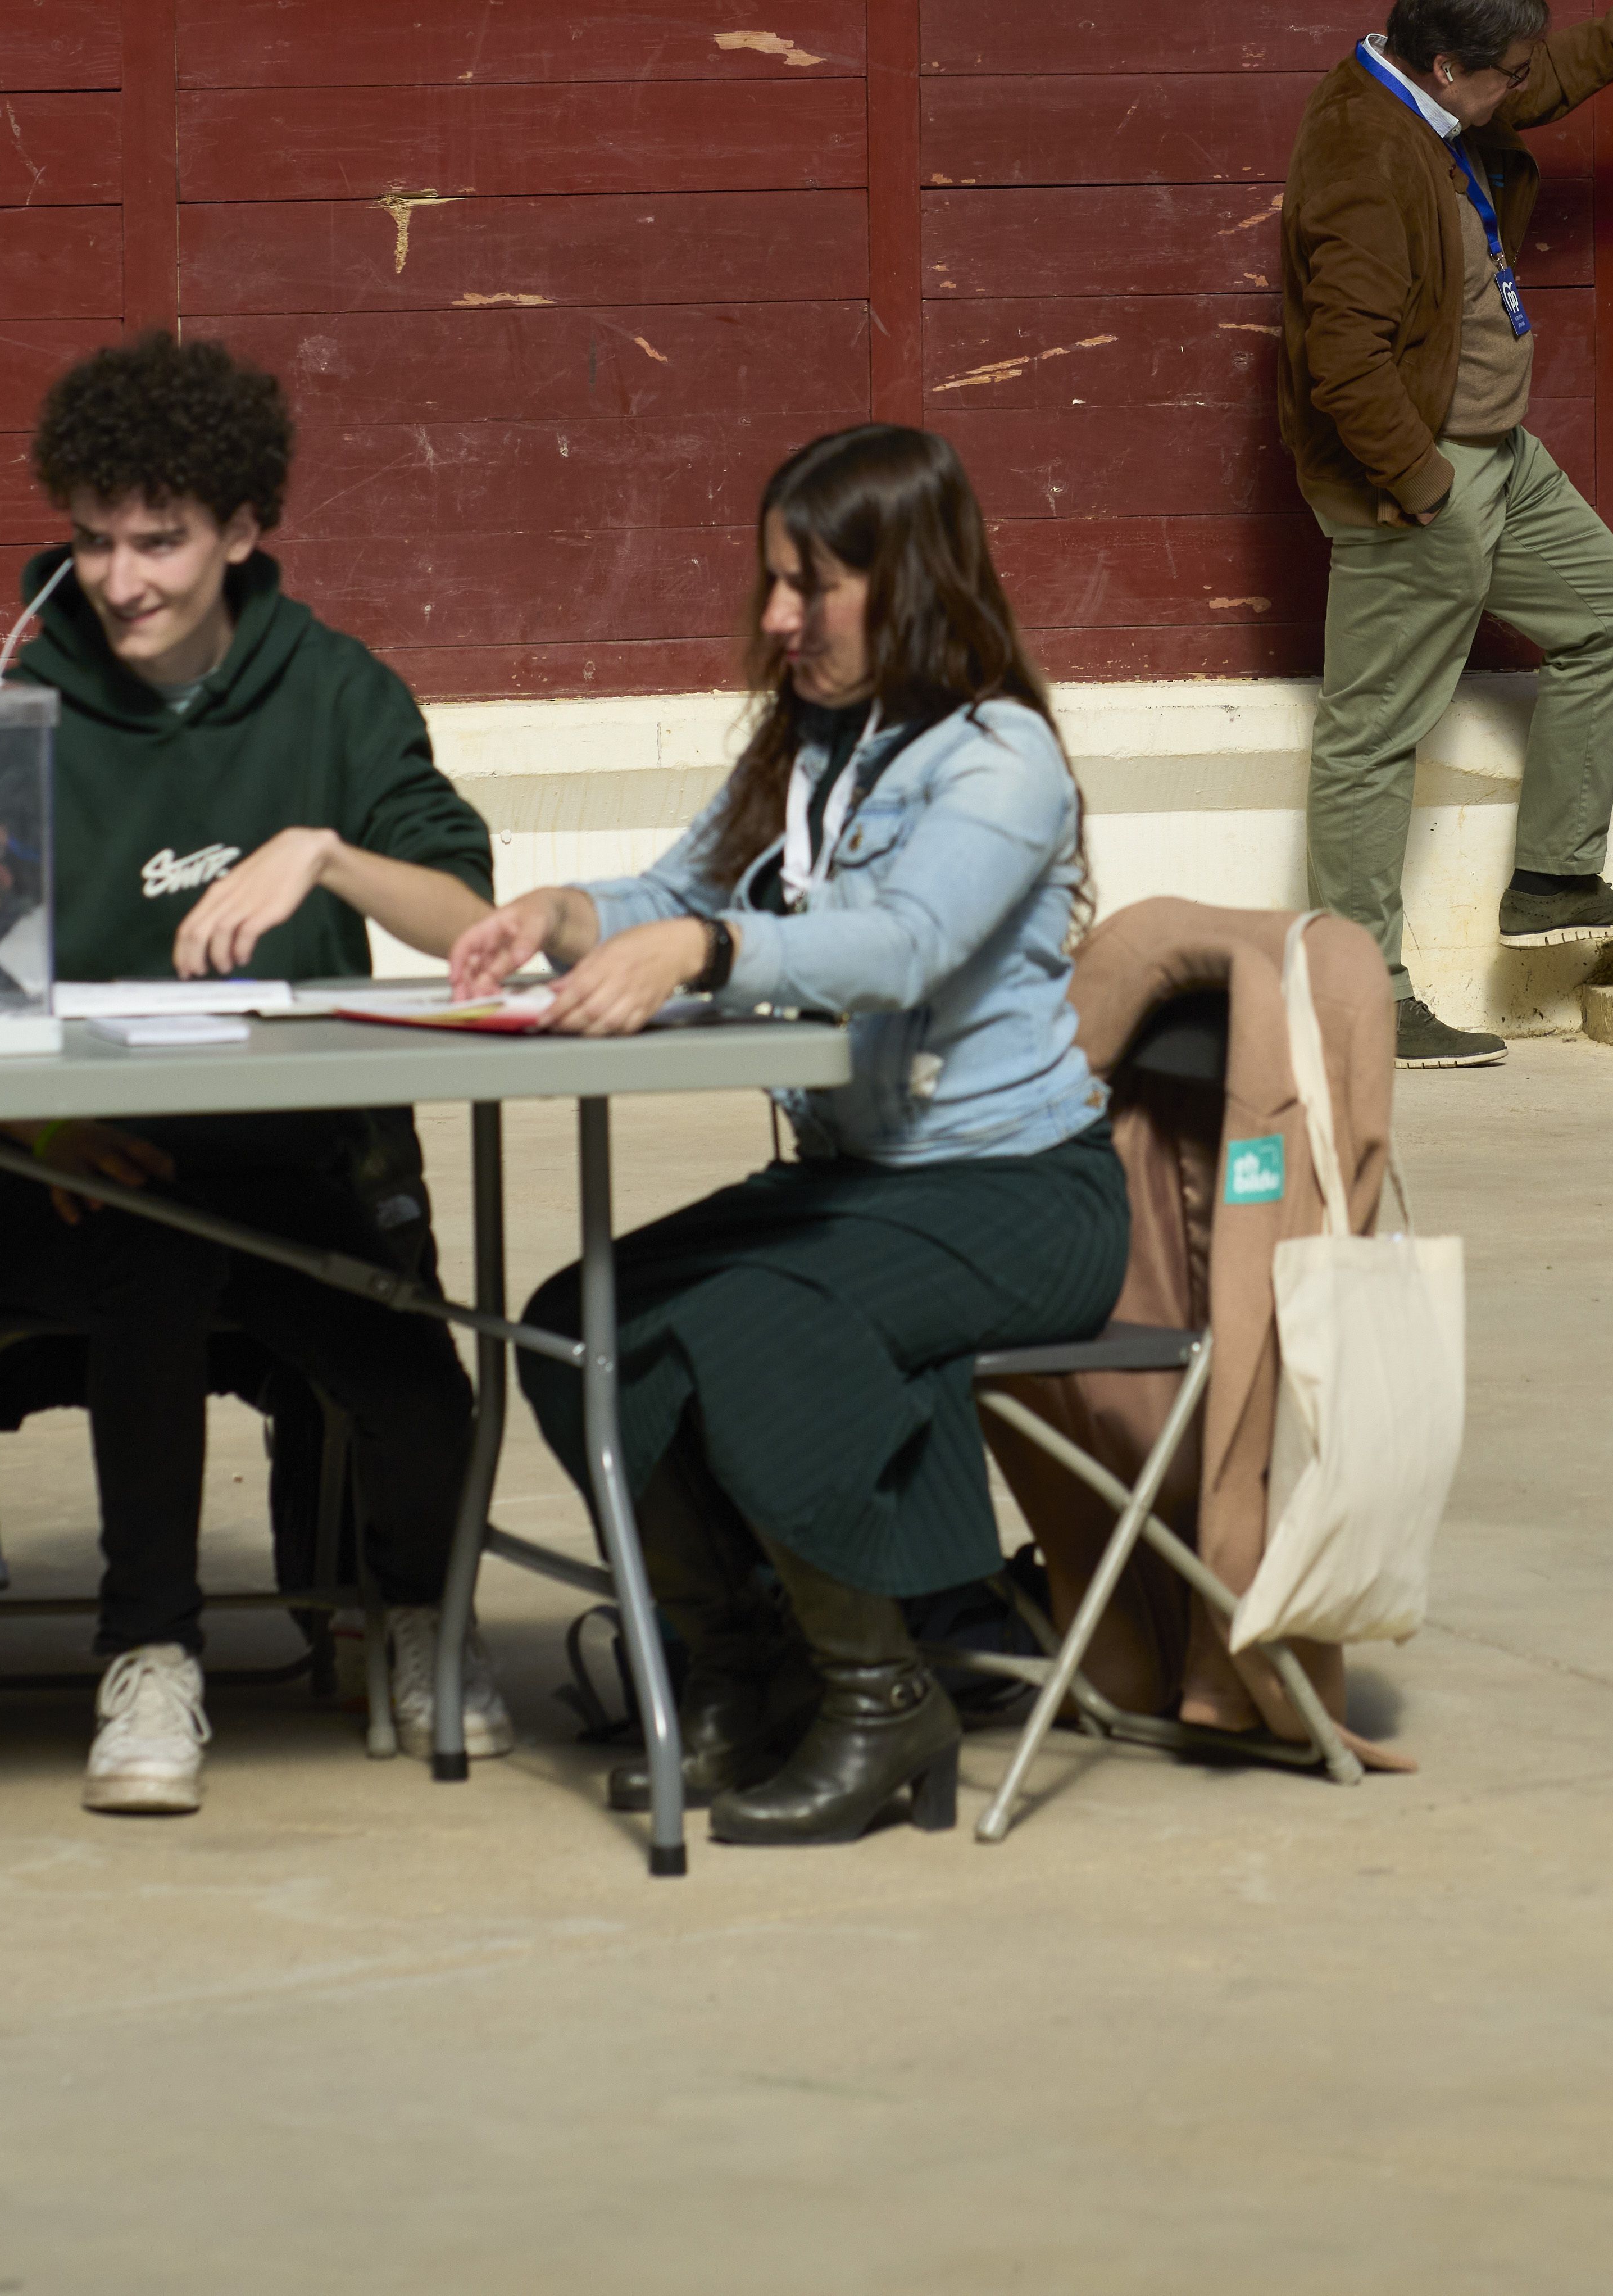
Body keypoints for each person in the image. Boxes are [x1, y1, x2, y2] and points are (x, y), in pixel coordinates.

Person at [447, 425, 1121, 1848]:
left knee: (751, 1320)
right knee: (586, 1320)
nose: (775, 619)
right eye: (772, 582)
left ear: (914, 581)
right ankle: (740, 1673)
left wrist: (702, 946)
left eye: (809, 587)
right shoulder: (810, 747)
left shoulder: (1003, 760)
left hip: (1015, 1193)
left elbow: (903, 941)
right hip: (865, 1187)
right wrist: (556, 916)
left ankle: (880, 1700)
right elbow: (670, 888)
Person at [0, 332, 508, 1817]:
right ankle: (148, 1654)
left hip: (303, 1168)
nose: (121, 580)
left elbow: (476, 933)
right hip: (59, 1170)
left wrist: (325, 853)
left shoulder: (340, 697)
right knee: (146, 1267)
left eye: (160, 542)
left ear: (242, 532)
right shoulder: (14, 717)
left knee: (412, 1367)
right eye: (95, 540)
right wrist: (35, 1115)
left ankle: (420, 1610)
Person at [1273, 0, 1613, 1070]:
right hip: (1415, 480)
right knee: (1373, 735)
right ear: (1446, 71)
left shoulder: (1439, 93)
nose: (1523, 93)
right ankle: (1359, 998)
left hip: (1494, 458)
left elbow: (1558, 69)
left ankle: (1549, 878)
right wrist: (1425, 488)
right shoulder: (1361, 157)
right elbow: (1344, 366)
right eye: (1504, 78)